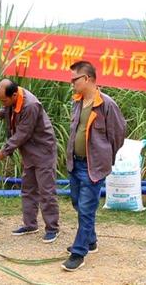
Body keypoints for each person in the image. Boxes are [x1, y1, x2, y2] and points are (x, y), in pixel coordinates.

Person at [61, 61, 126, 272]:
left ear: (87, 79)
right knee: (78, 204)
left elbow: (118, 135)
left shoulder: (106, 104)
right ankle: (91, 240)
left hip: (93, 167)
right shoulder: (78, 102)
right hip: (75, 163)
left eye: (74, 80)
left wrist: (104, 157)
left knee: (87, 209)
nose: (72, 84)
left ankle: (79, 253)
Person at [0, 78, 60, 243]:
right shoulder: (14, 100)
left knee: (46, 191)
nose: (3, 103)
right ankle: (30, 224)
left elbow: (23, 133)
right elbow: (11, 112)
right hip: (29, 152)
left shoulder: (30, 105)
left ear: (13, 94)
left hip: (42, 151)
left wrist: (4, 151)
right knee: (28, 188)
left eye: (4, 101)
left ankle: (52, 228)